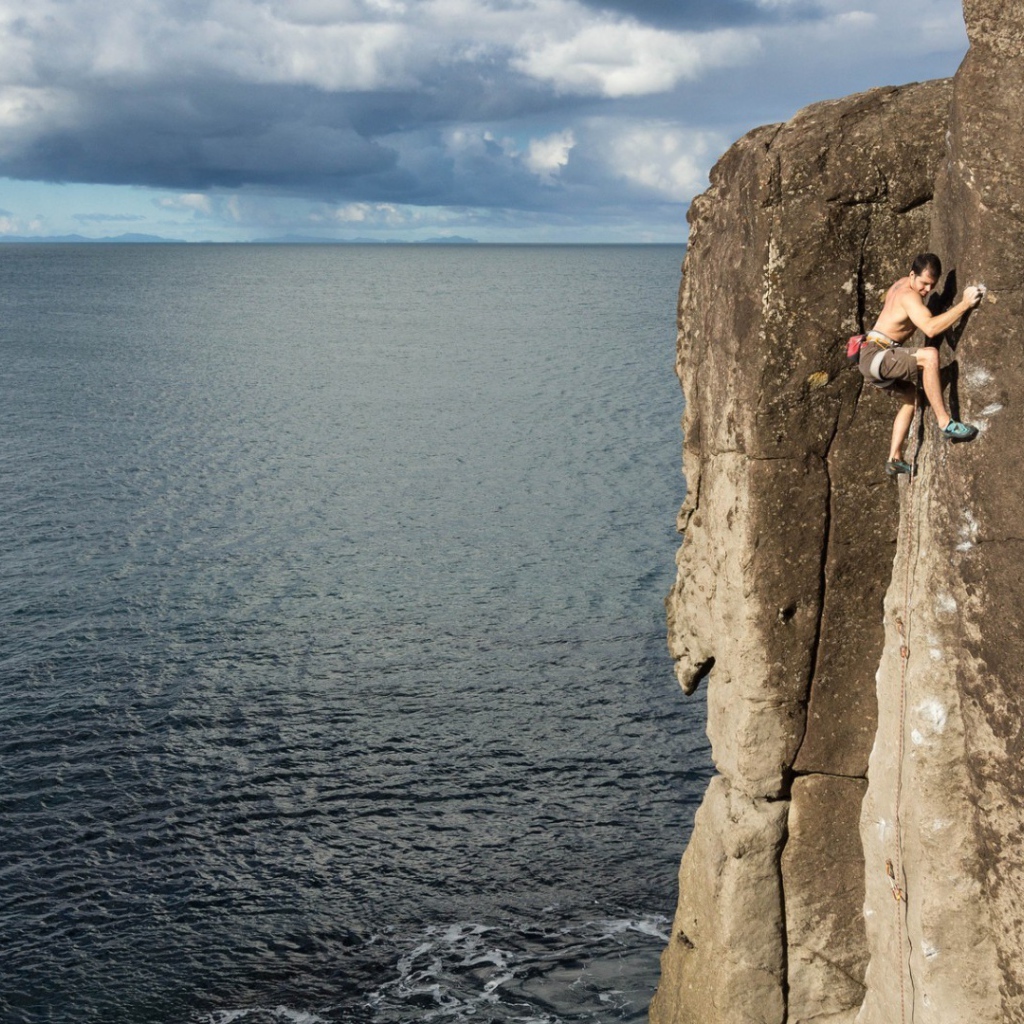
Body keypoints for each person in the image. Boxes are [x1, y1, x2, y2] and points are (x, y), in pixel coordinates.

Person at [859, 252, 985, 476]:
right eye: (924, 283)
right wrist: (965, 304)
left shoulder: (900, 285)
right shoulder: (908, 296)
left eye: (932, 285)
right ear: (912, 275)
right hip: (877, 355)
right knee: (929, 356)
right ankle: (945, 423)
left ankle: (894, 458)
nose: (927, 290)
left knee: (912, 398)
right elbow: (930, 328)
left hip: (871, 359)